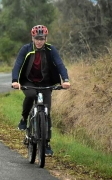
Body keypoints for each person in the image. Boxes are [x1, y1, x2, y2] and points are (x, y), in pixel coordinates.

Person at [11, 25, 71, 156]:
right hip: (28, 81)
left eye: (41, 39)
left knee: (47, 112)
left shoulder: (50, 50)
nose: (39, 41)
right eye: (36, 38)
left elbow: (60, 64)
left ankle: (46, 143)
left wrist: (65, 79)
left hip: (46, 82)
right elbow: (17, 64)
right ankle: (24, 118)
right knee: (31, 95)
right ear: (32, 38)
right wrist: (15, 80)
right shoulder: (26, 49)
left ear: (45, 39)